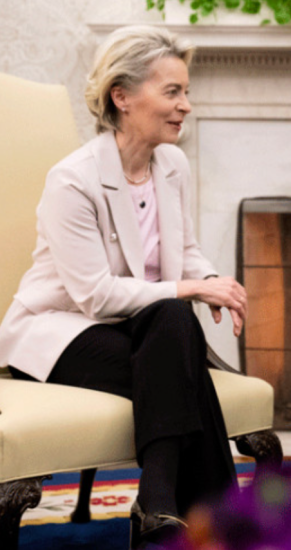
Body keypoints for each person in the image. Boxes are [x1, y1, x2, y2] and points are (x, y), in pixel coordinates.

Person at [0, 25, 248, 547]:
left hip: (147, 330)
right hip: (61, 333)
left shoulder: (172, 164)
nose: (187, 105)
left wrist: (207, 279)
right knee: (180, 345)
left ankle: (158, 504)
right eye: (173, 91)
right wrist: (190, 290)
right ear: (123, 96)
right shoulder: (73, 180)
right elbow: (95, 295)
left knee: (174, 322)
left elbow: (185, 253)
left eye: (187, 91)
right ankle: (217, 521)